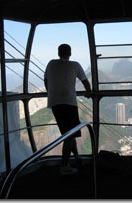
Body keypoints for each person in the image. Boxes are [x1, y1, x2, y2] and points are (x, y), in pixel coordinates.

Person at [44, 43, 91, 175]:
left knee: (70, 133)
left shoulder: (51, 64)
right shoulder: (75, 65)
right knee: (69, 135)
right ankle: (64, 165)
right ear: (70, 53)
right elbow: (85, 81)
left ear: (58, 53)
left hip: (55, 103)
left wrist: (50, 93)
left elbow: (46, 80)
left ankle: (76, 158)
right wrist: (88, 92)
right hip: (69, 103)